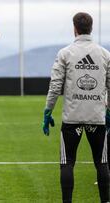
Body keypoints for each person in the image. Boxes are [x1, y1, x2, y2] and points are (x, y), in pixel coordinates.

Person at [42, 12, 110, 203]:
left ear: (75, 28)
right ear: (91, 28)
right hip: (96, 118)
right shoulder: (105, 54)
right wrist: (109, 111)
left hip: (72, 119)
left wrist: (48, 111)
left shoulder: (65, 53)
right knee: (102, 162)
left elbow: (55, 86)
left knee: (67, 163)